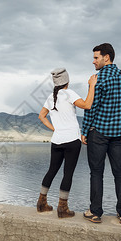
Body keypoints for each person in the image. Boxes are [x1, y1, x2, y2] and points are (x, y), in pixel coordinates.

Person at [81, 43, 121, 224]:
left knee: (96, 173)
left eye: (96, 57)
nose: (93, 61)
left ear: (106, 57)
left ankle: (95, 212)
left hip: (99, 133)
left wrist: (84, 130)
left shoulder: (98, 79)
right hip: (119, 133)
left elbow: (91, 108)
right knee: (120, 172)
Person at [37, 67, 97, 218]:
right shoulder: (70, 93)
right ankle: (62, 209)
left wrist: (55, 129)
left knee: (51, 170)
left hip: (57, 140)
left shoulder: (51, 97)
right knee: (67, 174)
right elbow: (87, 105)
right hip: (71, 140)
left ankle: (41, 203)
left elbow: (41, 116)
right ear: (67, 81)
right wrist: (92, 86)